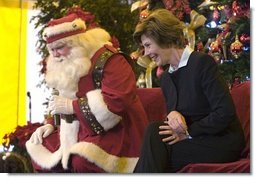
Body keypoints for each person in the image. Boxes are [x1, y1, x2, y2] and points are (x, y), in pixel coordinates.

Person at [25, 7, 148, 173]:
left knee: (82, 160)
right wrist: (51, 124)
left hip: (118, 131)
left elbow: (117, 103)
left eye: (59, 47)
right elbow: (60, 98)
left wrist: (72, 107)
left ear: (76, 42)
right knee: (40, 147)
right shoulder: (69, 63)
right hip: (77, 129)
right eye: (51, 50)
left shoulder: (110, 59)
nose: (55, 55)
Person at [132, 9, 245, 173]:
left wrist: (189, 132)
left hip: (220, 141)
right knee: (154, 132)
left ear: (163, 37)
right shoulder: (165, 79)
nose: (147, 53)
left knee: (156, 152)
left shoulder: (201, 63)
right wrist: (172, 115)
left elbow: (224, 112)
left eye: (148, 45)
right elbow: (179, 116)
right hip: (192, 140)